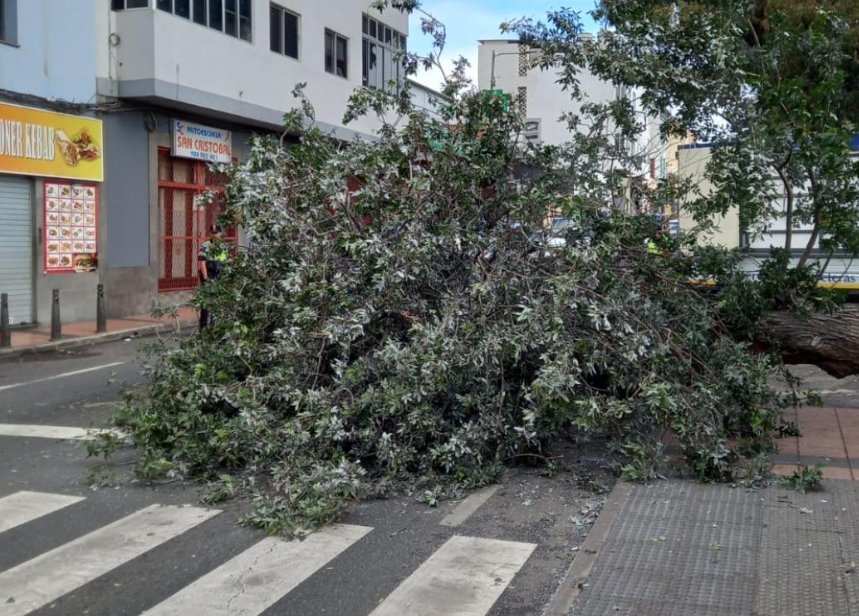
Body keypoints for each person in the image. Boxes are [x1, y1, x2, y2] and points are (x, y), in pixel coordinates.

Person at [197, 224, 228, 330]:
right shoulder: (206, 245)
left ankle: (214, 327)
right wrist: (206, 279)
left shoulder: (224, 246)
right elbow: (202, 263)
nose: (214, 235)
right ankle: (203, 327)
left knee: (217, 302)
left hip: (219, 275)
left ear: (220, 233)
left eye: (216, 233)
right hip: (209, 275)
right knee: (206, 303)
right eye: (212, 233)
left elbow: (226, 262)